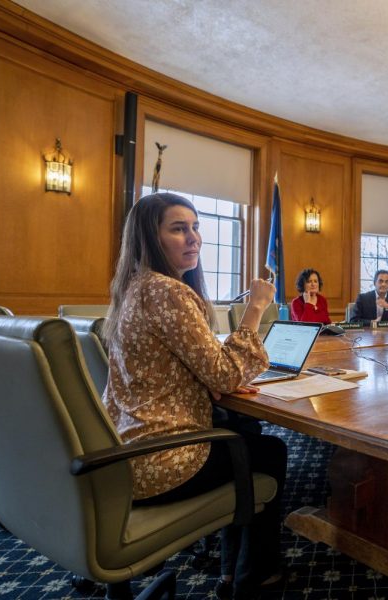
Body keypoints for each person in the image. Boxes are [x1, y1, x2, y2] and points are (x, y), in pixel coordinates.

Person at [101, 193, 286, 600]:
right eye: (178, 229)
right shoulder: (168, 292)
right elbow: (223, 371)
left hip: (122, 448)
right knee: (270, 451)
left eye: (196, 227)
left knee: (245, 426)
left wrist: (216, 381)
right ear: (151, 237)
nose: (194, 238)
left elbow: (187, 370)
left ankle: (229, 573)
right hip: (159, 459)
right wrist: (256, 307)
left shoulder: (135, 287)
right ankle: (252, 579)